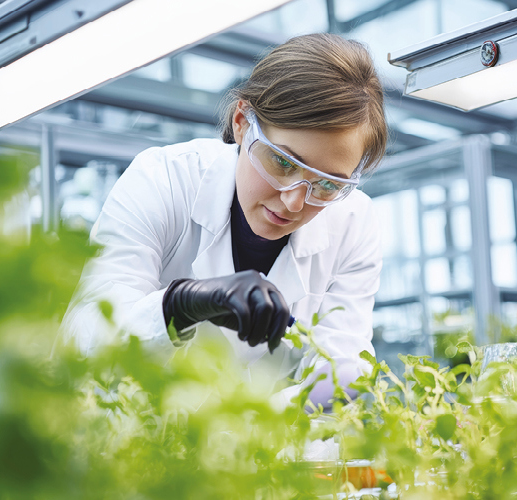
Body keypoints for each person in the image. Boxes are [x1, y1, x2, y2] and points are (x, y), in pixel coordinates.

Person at [61, 33, 387, 407]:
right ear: (242, 123)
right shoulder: (162, 179)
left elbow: (342, 363)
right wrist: (179, 305)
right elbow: (85, 337)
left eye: (328, 184)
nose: (295, 202)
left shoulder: (353, 222)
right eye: (282, 161)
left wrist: (275, 416)